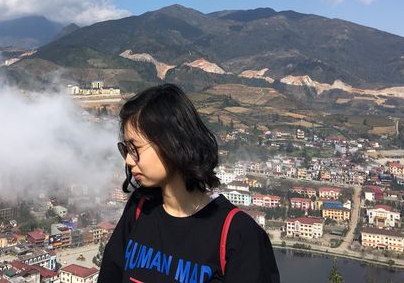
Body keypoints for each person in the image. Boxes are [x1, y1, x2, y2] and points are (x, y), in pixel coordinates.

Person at [98, 84, 280, 283]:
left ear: (172, 142)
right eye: (126, 149)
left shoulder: (238, 235)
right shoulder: (140, 208)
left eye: (136, 148)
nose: (128, 160)